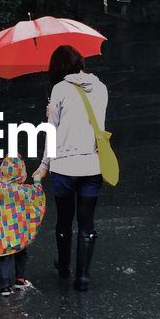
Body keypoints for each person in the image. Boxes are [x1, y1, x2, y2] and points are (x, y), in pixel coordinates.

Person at [32, 45, 108, 291]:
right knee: (87, 224)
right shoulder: (101, 88)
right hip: (92, 166)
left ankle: (64, 265)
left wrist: (44, 166)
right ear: (80, 63)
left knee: (64, 221)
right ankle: (83, 277)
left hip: (64, 168)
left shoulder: (59, 89)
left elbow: (52, 133)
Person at [0, 155, 46, 296]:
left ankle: (4, 287)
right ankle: (20, 280)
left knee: (3, 257)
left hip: (1, 233)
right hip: (19, 232)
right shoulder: (25, 191)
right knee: (21, 253)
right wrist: (38, 180)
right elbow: (38, 196)